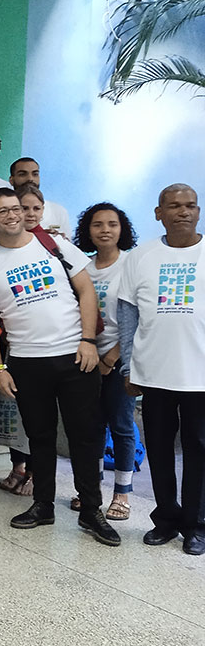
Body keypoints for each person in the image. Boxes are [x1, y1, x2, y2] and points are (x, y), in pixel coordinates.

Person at [0, 188, 120, 546]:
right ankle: (43, 504)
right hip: (26, 362)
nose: (12, 215)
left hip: (75, 356)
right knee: (38, 437)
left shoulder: (53, 245)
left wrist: (88, 340)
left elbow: (86, 291)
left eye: (16, 208)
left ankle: (91, 509)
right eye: (3, 211)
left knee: (84, 437)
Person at [118, 184, 205, 555]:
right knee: (158, 448)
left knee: (199, 449)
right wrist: (127, 366)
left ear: (198, 212)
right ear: (158, 213)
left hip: (200, 374)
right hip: (152, 371)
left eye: (190, 205)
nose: (183, 212)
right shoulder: (140, 257)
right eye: (174, 206)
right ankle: (167, 518)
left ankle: (196, 525)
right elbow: (127, 314)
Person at [73, 202, 138, 522]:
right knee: (92, 426)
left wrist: (112, 357)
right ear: (88, 231)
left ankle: (122, 493)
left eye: (112, 224)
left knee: (122, 426)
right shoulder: (84, 267)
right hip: (86, 358)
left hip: (119, 360)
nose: (105, 230)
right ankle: (92, 492)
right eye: (97, 225)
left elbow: (138, 317)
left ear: (122, 229)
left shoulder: (131, 264)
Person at [8, 157, 71, 235]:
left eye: (35, 174)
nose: (30, 179)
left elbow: (66, 243)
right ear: (11, 180)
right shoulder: (2, 212)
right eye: (22, 174)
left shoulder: (59, 211)